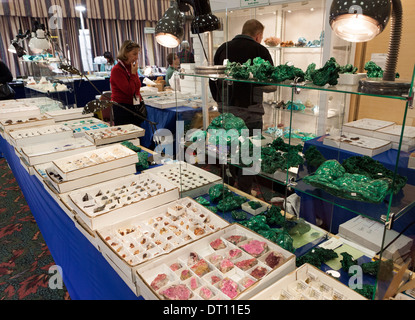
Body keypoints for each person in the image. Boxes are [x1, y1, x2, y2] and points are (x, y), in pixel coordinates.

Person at [209, 19, 274, 194]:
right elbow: (272, 85)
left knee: (226, 153)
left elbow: (212, 78)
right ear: (258, 35)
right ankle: (244, 193)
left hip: (226, 114)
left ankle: (226, 188)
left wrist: (220, 103)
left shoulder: (223, 48)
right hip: (251, 116)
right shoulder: (260, 50)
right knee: (249, 156)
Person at [110, 40, 145, 126]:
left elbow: (137, 86)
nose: (136, 57)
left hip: (134, 106)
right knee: (127, 136)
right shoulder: (117, 70)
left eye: (138, 54)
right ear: (125, 53)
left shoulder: (132, 67)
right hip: (123, 108)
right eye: (134, 54)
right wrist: (133, 74)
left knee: (138, 134)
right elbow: (129, 91)